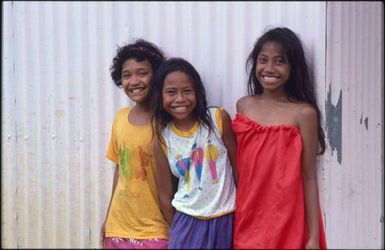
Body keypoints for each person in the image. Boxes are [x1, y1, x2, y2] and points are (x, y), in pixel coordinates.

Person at [232, 27, 327, 249]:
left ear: (293, 68)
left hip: (286, 219)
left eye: (279, 61)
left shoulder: (304, 114)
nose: (269, 68)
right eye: (263, 60)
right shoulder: (243, 106)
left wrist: (312, 236)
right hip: (248, 217)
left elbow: (309, 177)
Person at [149, 58, 238, 249]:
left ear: (198, 92)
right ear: (160, 95)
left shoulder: (218, 120)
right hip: (186, 222)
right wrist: (178, 232)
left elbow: (239, 171)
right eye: (171, 92)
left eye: (187, 91)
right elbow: (164, 196)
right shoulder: (162, 140)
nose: (180, 99)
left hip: (226, 218)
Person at [100, 39, 170, 249]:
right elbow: (120, 169)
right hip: (118, 227)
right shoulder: (120, 118)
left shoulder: (167, 122)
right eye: (126, 75)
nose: (134, 81)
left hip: (157, 230)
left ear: (156, 75)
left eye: (142, 73)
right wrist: (107, 218)